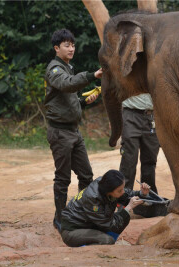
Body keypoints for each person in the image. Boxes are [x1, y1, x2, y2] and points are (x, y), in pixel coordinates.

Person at [44, 29, 103, 232]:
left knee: (86, 176)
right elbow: (66, 85)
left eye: (73, 45)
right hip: (60, 133)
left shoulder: (68, 67)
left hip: (74, 131)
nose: (71, 48)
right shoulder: (55, 69)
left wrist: (84, 102)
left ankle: (81, 213)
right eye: (66, 45)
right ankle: (60, 219)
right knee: (63, 178)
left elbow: (69, 100)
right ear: (56, 48)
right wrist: (92, 75)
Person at [60, 170, 150, 247]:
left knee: (124, 218)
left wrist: (142, 194)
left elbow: (127, 195)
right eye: (120, 190)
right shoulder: (93, 199)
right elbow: (110, 224)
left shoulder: (105, 184)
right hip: (72, 230)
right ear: (109, 190)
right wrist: (128, 208)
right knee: (107, 241)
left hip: (90, 224)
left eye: (123, 188)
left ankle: (103, 239)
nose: (123, 192)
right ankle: (86, 251)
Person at [119, 93, 160, 194]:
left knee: (150, 160)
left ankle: (148, 196)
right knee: (129, 159)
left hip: (152, 116)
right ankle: (124, 197)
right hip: (131, 114)